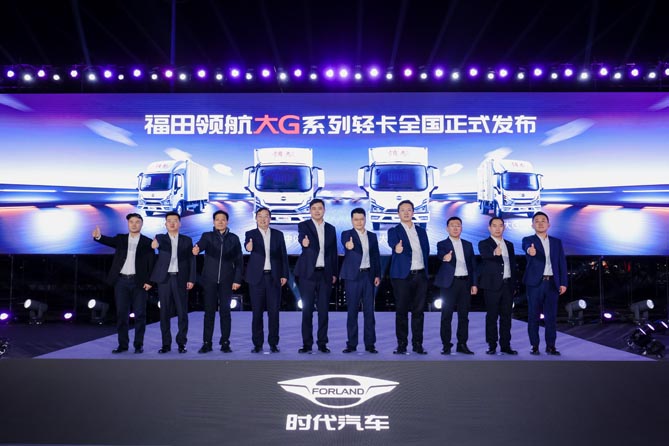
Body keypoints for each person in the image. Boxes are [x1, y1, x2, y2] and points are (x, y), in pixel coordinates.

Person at [92, 213, 155, 354]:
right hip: (121, 282)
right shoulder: (121, 239)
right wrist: (98, 236)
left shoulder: (147, 242)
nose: (134, 224)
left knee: (140, 314)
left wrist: (150, 281)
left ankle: (138, 345)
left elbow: (152, 263)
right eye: (131, 222)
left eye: (137, 222)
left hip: (139, 283)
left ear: (141, 224)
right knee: (121, 315)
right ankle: (123, 345)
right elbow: (108, 241)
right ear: (128, 224)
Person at [193, 210, 243, 353]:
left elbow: (239, 261)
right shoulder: (207, 236)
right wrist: (197, 249)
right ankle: (207, 342)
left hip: (227, 280)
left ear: (227, 221)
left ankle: (225, 342)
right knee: (209, 312)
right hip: (209, 280)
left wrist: (237, 279)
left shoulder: (234, 238)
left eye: (223, 219)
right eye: (217, 219)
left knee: (225, 312)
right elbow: (200, 245)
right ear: (213, 222)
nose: (220, 222)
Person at [294, 198, 338, 354]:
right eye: (314, 208)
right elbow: (302, 238)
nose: (317, 211)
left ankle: (322, 343)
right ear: (310, 211)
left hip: (325, 274)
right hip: (308, 274)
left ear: (324, 210)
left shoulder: (331, 228)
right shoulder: (304, 225)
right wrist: (303, 242)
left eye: (320, 208)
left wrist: (334, 272)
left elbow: (333, 252)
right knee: (307, 311)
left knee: (323, 311)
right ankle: (307, 344)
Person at [388, 200, 430, 355]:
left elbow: (426, 251)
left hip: (420, 275)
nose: (406, 213)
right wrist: (396, 248)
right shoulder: (394, 231)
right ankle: (402, 344)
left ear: (413, 212)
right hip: (402, 277)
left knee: (419, 312)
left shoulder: (421, 231)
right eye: (402, 210)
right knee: (402, 311)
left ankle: (418, 344)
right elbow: (393, 243)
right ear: (398, 213)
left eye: (409, 210)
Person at [522, 211, 568, 356]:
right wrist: (530, 250)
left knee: (551, 317)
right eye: (537, 221)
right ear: (532, 225)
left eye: (543, 221)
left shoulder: (556, 242)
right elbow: (526, 248)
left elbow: (561, 263)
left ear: (549, 224)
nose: (540, 223)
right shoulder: (528, 240)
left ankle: (551, 346)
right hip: (535, 284)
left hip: (552, 283)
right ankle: (534, 345)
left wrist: (563, 282)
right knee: (533, 316)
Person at [244, 207, 289, 353]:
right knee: (257, 312)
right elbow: (247, 246)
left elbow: (283, 256)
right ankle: (257, 344)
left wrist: (284, 275)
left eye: (266, 216)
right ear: (256, 218)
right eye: (260, 216)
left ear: (270, 218)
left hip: (274, 278)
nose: (263, 219)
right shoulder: (250, 234)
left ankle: (273, 343)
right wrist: (248, 247)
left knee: (274, 313)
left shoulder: (278, 234)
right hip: (257, 279)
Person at [150, 211, 196, 354]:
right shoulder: (160, 237)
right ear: (165, 224)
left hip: (181, 279)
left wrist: (191, 279)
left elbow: (191, 260)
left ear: (179, 223)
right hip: (164, 279)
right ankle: (166, 344)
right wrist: (155, 244)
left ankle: (182, 343)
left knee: (182, 312)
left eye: (175, 220)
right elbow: (157, 245)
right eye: (169, 221)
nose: (172, 223)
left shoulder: (187, 240)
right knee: (164, 313)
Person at [340, 208, 382, 354]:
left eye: (361, 219)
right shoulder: (347, 234)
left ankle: (370, 344)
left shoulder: (372, 236)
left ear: (365, 219)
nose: (359, 222)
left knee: (369, 312)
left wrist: (377, 275)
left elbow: (375, 256)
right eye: (356, 219)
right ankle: (351, 344)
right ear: (352, 220)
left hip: (368, 276)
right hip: (353, 277)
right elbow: (346, 243)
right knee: (352, 311)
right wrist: (348, 245)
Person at [434, 217, 478, 355]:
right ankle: (446, 345)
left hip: (465, 283)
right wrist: (445, 257)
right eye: (452, 225)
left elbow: (473, 266)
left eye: (458, 225)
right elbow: (440, 255)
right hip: (449, 284)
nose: (455, 228)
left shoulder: (468, 245)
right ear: (447, 228)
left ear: (461, 228)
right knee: (446, 315)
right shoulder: (442, 244)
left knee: (464, 316)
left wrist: (474, 283)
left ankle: (462, 344)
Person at [478, 217, 518, 355]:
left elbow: (512, 265)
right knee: (492, 317)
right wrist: (494, 253)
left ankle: (506, 345)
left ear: (504, 228)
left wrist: (514, 285)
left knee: (506, 317)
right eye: (494, 226)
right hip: (492, 286)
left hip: (508, 285)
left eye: (500, 225)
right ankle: (492, 345)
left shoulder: (509, 244)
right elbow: (485, 256)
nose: (497, 228)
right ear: (489, 228)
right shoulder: (484, 243)